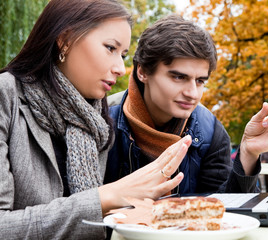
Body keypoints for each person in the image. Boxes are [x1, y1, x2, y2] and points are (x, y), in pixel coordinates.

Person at [0, 1, 192, 239]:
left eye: (123, 55)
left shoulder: (95, 119)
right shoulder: (5, 96)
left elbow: (88, 221)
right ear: (65, 40)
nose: (121, 68)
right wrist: (106, 197)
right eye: (110, 48)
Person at [105, 15, 268, 195]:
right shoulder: (102, 121)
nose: (192, 93)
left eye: (200, 81)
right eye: (178, 77)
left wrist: (248, 154)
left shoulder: (211, 131)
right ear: (143, 72)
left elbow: (226, 214)